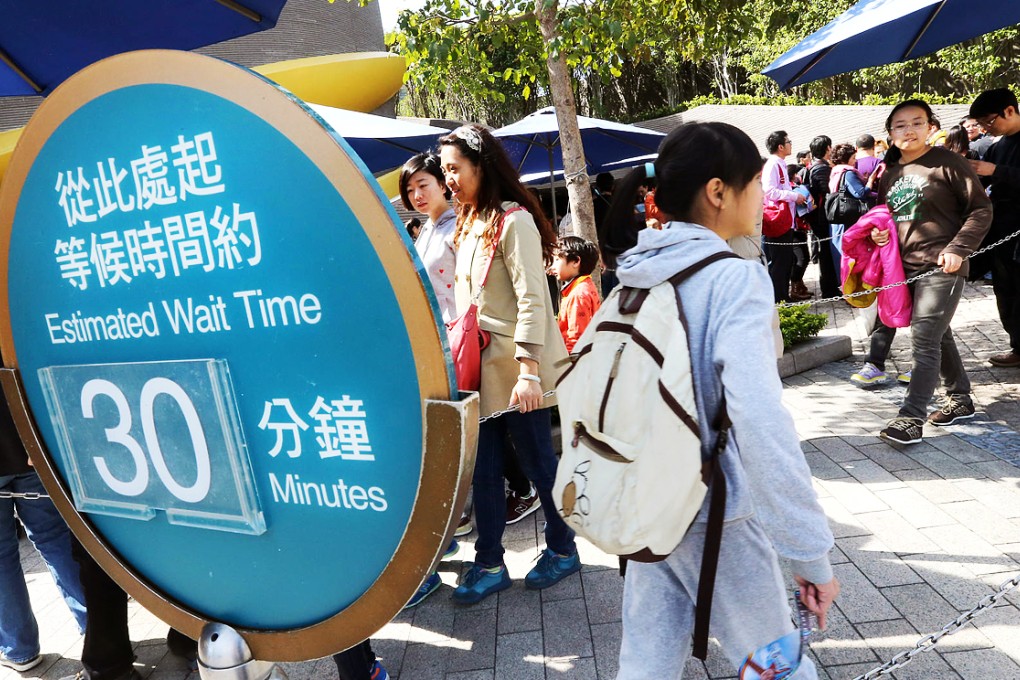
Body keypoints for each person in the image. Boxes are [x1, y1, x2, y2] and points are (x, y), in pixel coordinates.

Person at [602, 122, 837, 679]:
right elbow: (758, 417)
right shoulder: (732, 280)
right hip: (713, 510)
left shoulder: (634, 274)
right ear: (718, 192)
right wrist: (808, 553)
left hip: (643, 494)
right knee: (774, 662)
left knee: (646, 655)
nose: (763, 196)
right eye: (756, 183)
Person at [438, 125, 579, 604]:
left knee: (540, 464)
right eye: (444, 170)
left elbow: (533, 300)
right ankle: (490, 561)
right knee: (484, 471)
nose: (447, 178)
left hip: (517, 373)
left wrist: (529, 371)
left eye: (455, 168)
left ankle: (563, 549)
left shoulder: (511, 220)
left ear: (483, 165)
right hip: (480, 373)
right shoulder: (469, 220)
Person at [874, 99, 991, 444]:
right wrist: (881, 232)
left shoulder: (949, 163)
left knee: (924, 338)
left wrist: (958, 249)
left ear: (930, 127)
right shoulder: (891, 172)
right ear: (891, 132)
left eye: (916, 122)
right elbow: (886, 216)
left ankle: (911, 418)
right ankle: (961, 397)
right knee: (937, 333)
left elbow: (981, 210)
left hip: (943, 265)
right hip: (904, 267)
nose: (908, 130)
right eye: (900, 125)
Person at [0, 395, 86, 672]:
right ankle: (96, 631)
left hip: (25, 446)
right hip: (26, 442)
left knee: (1, 557)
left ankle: (19, 649)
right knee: (56, 538)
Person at [969, 88, 1020, 368]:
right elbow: (983, 185)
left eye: (989, 121)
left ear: (1009, 110)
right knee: (1005, 291)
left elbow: (996, 174)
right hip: (1001, 232)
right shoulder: (997, 146)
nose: (987, 129)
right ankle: (1017, 346)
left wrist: (995, 171)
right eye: (982, 124)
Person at [399, 153, 458, 324]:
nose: (416, 195)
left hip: (460, 331)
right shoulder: (425, 231)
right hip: (435, 331)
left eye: (423, 185)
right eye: (409, 190)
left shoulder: (458, 228)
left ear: (443, 185)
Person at [762, 130, 808, 303]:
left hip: (786, 220)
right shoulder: (773, 164)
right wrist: (794, 196)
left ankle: (782, 296)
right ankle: (778, 299)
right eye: (788, 141)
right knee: (780, 263)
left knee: (785, 261)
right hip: (778, 221)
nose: (791, 144)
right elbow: (770, 191)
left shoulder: (779, 163)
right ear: (780, 146)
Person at [828, 143, 876, 278]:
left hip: (838, 218)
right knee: (849, 254)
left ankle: (844, 286)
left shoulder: (836, 171)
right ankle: (850, 289)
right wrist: (870, 181)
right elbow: (860, 193)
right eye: (853, 158)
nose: (855, 161)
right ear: (847, 158)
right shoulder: (848, 173)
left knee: (840, 254)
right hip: (847, 219)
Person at [550, 235, 601, 353]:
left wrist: (569, 365)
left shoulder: (579, 294)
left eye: (557, 260)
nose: (553, 266)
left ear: (576, 261)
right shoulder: (586, 286)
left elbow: (576, 338)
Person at [806, 135, 840, 298]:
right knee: (826, 252)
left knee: (825, 251)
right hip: (822, 217)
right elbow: (827, 192)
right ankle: (829, 289)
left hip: (818, 217)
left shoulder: (815, 166)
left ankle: (830, 287)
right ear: (827, 148)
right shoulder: (821, 168)